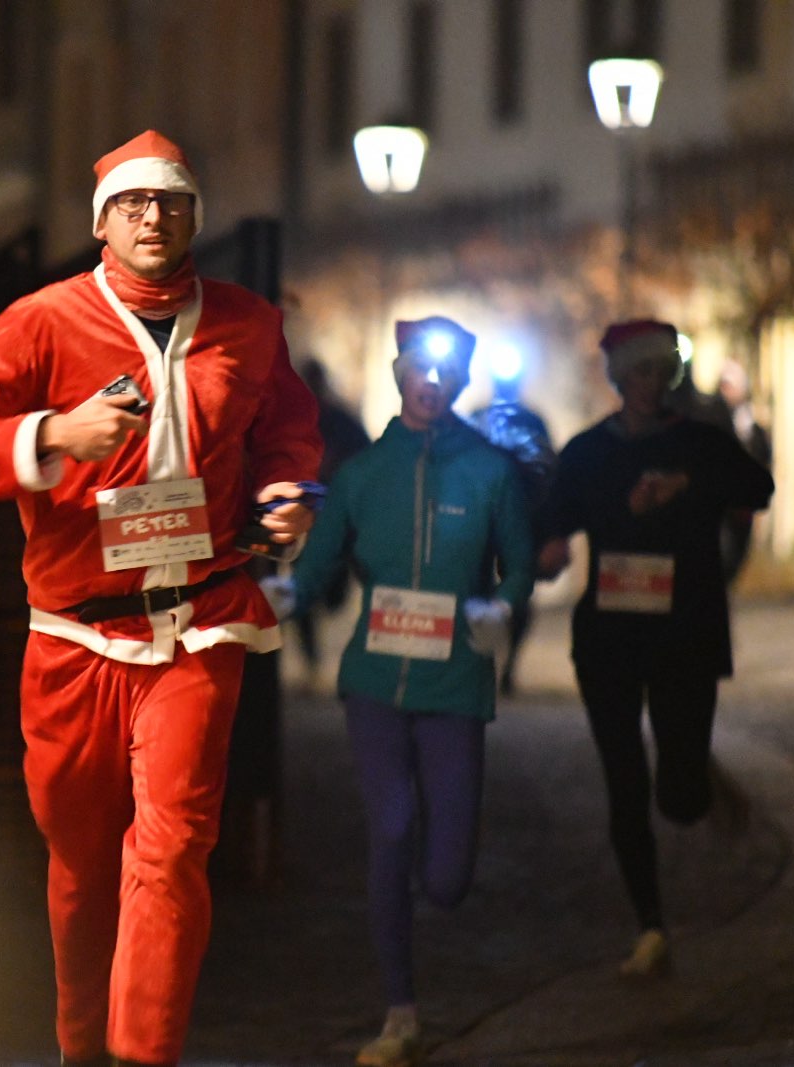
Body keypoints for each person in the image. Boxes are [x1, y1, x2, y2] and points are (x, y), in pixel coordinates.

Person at [0, 130, 321, 1067]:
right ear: (102, 223)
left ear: (193, 219)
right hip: (74, 638)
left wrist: (287, 497)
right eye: (133, 204)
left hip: (201, 621)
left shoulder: (250, 322)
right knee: (81, 866)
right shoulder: (44, 321)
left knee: (173, 850)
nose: (152, 218)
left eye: (171, 203)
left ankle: (144, 1057)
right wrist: (54, 430)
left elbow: (289, 436)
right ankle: (78, 1046)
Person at [275, 316, 533, 1066]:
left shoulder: (490, 470)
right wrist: (287, 592)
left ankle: (435, 883)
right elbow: (319, 563)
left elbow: (517, 562)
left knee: (447, 878)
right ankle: (400, 1012)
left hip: (455, 682)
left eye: (446, 371)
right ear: (398, 371)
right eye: (419, 367)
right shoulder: (360, 474)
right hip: (375, 683)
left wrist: (502, 605)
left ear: (460, 381)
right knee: (388, 830)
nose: (431, 381)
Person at [535, 320, 774, 981]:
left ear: (668, 376)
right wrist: (549, 550)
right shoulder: (587, 452)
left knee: (680, 798)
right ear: (616, 379)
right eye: (633, 372)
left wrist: (689, 486)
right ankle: (650, 926)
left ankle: (697, 773)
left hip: (685, 633)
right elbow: (555, 521)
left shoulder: (700, 442)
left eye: (656, 370)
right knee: (623, 781)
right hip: (608, 637)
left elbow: (759, 487)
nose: (645, 383)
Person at [468, 364, 555, 695]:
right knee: (477, 587)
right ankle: (483, 660)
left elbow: (547, 470)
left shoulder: (532, 422)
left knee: (518, 590)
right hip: (480, 516)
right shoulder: (477, 417)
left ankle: (509, 666)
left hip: (521, 514)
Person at [288, 358, 370, 675]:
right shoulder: (292, 421)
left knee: (334, 589)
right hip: (304, 516)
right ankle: (311, 658)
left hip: (336, 514)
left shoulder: (340, 421)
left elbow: (363, 458)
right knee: (302, 588)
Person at [715, 361, 772, 587]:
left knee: (738, 554)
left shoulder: (751, 426)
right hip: (718, 503)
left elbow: (763, 457)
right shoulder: (710, 420)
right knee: (722, 553)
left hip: (742, 505)